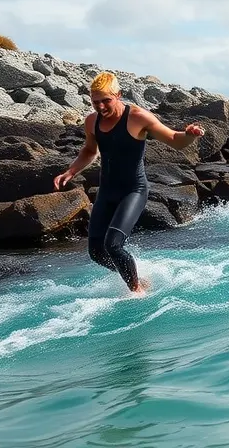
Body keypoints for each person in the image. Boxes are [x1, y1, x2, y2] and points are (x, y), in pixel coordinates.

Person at [53, 71, 205, 294]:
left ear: (119, 95)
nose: (101, 107)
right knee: (97, 252)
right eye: (96, 102)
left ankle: (137, 292)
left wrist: (189, 134)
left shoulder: (137, 117)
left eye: (106, 100)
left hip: (133, 190)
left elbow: (175, 140)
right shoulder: (92, 121)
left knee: (113, 245)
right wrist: (71, 171)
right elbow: (89, 150)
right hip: (107, 191)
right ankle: (136, 277)